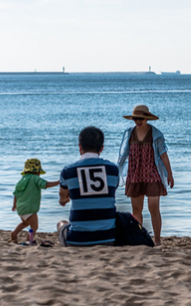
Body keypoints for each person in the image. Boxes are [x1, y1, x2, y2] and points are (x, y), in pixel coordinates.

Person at [117, 105, 174, 246]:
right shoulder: (129, 133)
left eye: (141, 118)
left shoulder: (156, 134)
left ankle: (158, 240)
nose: (138, 121)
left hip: (152, 174)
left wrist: (170, 174)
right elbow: (123, 155)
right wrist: (115, 172)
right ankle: (139, 239)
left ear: (147, 118)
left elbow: (163, 155)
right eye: (135, 118)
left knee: (154, 208)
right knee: (136, 210)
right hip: (134, 174)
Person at [57, 126, 120, 247]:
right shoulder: (113, 170)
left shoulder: (68, 171)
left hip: (77, 240)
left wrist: (65, 199)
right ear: (101, 148)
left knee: (61, 223)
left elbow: (63, 198)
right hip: (108, 238)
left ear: (80, 147)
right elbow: (110, 192)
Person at [11, 158, 59, 244]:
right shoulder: (35, 178)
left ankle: (14, 233)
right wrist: (58, 182)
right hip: (30, 208)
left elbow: (16, 194)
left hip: (20, 207)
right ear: (38, 171)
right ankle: (29, 240)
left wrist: (14, 205)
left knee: (25, 223)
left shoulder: (22, 180)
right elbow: (46, 184)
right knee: (34, 226)